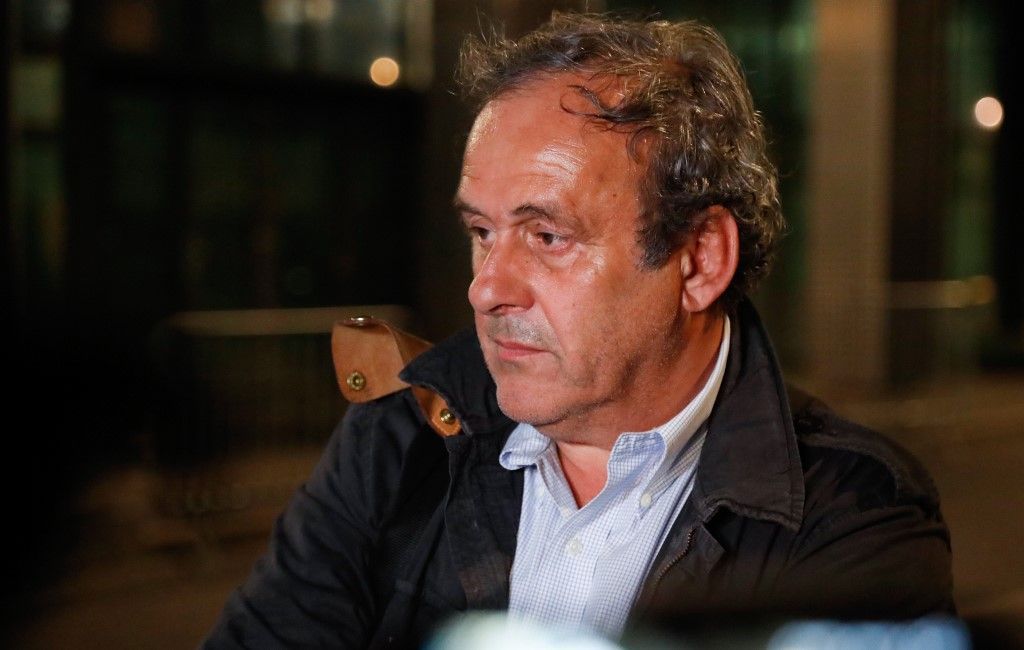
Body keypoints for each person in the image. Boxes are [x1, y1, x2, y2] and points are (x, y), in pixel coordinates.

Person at [203, 12, 953, 649]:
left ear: (699, 259)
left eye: (547, 237)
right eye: (482, 232)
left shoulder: (853, 513)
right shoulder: (403, 438)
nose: (486, 288)